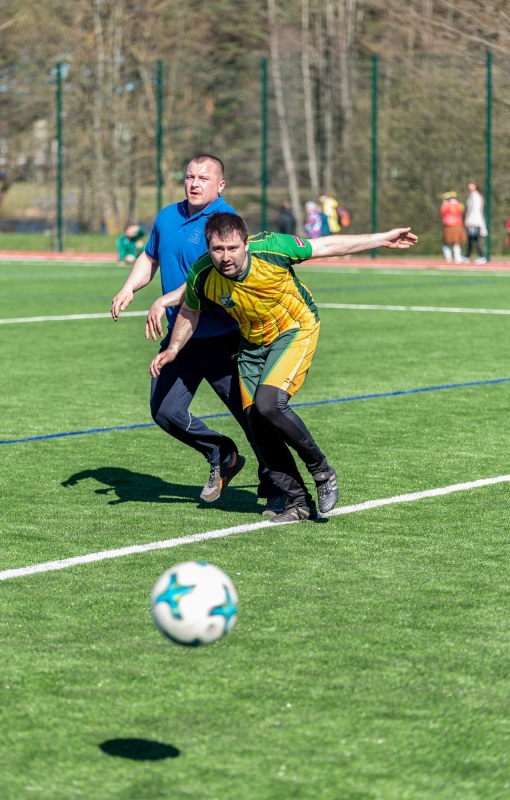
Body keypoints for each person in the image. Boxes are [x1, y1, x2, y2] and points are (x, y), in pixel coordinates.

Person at [149, 212, 418, 524]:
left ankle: (322, 470)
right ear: (209, 248)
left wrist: (382, 238)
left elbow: (325, 245)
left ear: (246, 244)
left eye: (232, 248)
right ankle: (299, 502)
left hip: (296, 328)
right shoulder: (202, 274)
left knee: (269, 403)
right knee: (256, 422)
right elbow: (190, 311)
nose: (225, 257)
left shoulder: (272, 247)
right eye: (218, 249)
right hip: (252, 344)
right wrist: (173, 348)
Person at [111, 155, 282, 515]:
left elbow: (207, 281)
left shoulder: (224, 223)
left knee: (253, 417)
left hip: (225, 337)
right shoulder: (167, 217)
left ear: (220, 185)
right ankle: (222, 454)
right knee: (165, 411)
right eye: (190, 176)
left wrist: (163, 299)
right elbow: (149, 256)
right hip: (181, 336)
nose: (194, 183)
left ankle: (278, 488)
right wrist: (130, 288)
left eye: (204, 177)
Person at [440, 192, 466, 264]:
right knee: (455, 242)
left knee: (447, 241)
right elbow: (462, 209)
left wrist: (445, 203)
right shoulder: (458, 204)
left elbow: (442, 212)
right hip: (457, 223)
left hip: (449, 224)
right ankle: (457, 257)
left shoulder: (447, 204)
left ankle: (449, 257)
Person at [464, 182, 487, 264]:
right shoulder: (472, 196)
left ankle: (481, 256)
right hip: (472, 220)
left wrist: (469, 220)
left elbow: (474, 210)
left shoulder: (476, 196)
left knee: (476, 239)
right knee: (470, 239)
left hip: (475, 221)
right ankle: (467, 256)